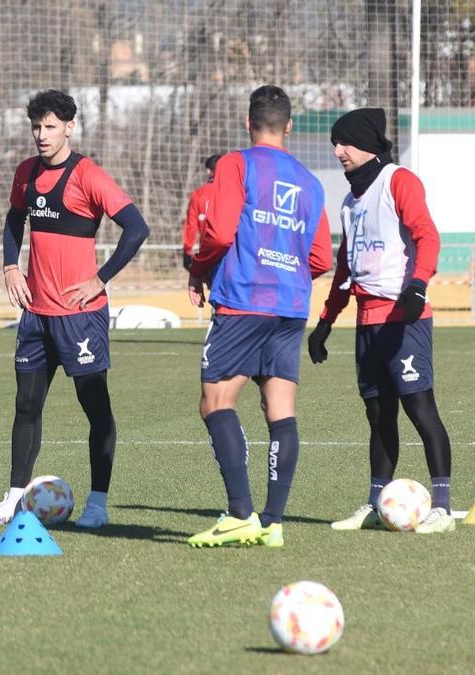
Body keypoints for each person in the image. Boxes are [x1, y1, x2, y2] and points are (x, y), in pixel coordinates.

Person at [0, 89, 151, 528]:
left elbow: (136, 227)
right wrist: (10, 268)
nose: (41, 134)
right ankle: (15, 500)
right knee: (26, 405)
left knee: (96, 408)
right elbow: (16, 220)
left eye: (50, 126)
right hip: (36, 314)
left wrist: (100, 278)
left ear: (69, 127)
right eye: (36, 126)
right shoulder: (27, 173)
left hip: (80, 316)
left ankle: (97, 503)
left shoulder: (87, 174)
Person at [185, 85, 333, 548]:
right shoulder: (310, 182)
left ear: (248, 123)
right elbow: (321, 257)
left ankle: (239, 514)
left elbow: (222, 230)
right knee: (280, 411)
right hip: (290, 305)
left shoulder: (236, 163)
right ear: (289, 126)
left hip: (245, 299)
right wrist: (284, 264)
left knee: (216, 403)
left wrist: (200, 267)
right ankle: (273, 522)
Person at [307, 107, 456, 535]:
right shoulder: (350, 201)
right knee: (378, 415)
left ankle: (442, 506)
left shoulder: (398, 181)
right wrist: (325, 322)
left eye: (344, 142)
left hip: (403, 317)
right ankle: (376, 501)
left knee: (420, 410)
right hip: (367, 322)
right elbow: (344, 267)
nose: (337, 151)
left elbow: (427, 235)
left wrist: (419, 285)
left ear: (367, 145)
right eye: (334, 143)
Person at [181, 154, 222, 272]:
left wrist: (187, 250)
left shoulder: (198, 195)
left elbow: (191, 225)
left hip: (209, 253)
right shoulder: (236, 192)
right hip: (233, 254)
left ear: (208, 171)